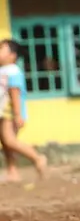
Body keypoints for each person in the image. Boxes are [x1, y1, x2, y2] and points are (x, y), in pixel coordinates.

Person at [0, 39, 46, 180]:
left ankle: (37, 158)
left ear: (12, 56)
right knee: (5, 144)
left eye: (2, 50)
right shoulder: (3, 70)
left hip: (10, 112)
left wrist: (18, 114)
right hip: (3, 112)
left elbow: (15, 93)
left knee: (10, 141)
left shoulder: (13, 71)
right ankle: (13, 172)